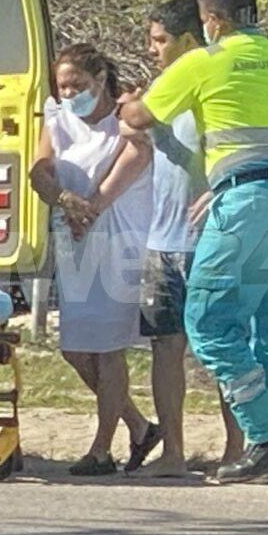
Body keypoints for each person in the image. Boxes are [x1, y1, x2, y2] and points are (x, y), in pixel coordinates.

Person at [120, 0, 268, 483]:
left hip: (247, 202)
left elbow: (140, 117)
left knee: (208, 324)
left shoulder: (203, 60)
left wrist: (128, 102)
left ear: (212, 20)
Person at [29, 43, 161, 476]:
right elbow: (40, 170)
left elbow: (138, 157)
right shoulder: (58, 119)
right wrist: (62, 197)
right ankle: (139, 427)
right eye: (63, 86)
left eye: (78, 85)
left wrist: (92, 208)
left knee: (107, 349)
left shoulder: (124, 116)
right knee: (75, 348)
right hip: (75, 241)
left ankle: (102, 448)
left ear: (100, 79)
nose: (70, 94)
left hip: (119, 237)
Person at [133, 0, 226, 477]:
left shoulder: (216, 87)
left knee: (224, 346)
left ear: (189, 39)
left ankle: (237, 450)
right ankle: (172, 452)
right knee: (165, 347)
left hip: (209, 239)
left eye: (161, 40)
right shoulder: (162, 90)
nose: (153, 49)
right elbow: (134, 130)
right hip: (162, 240)